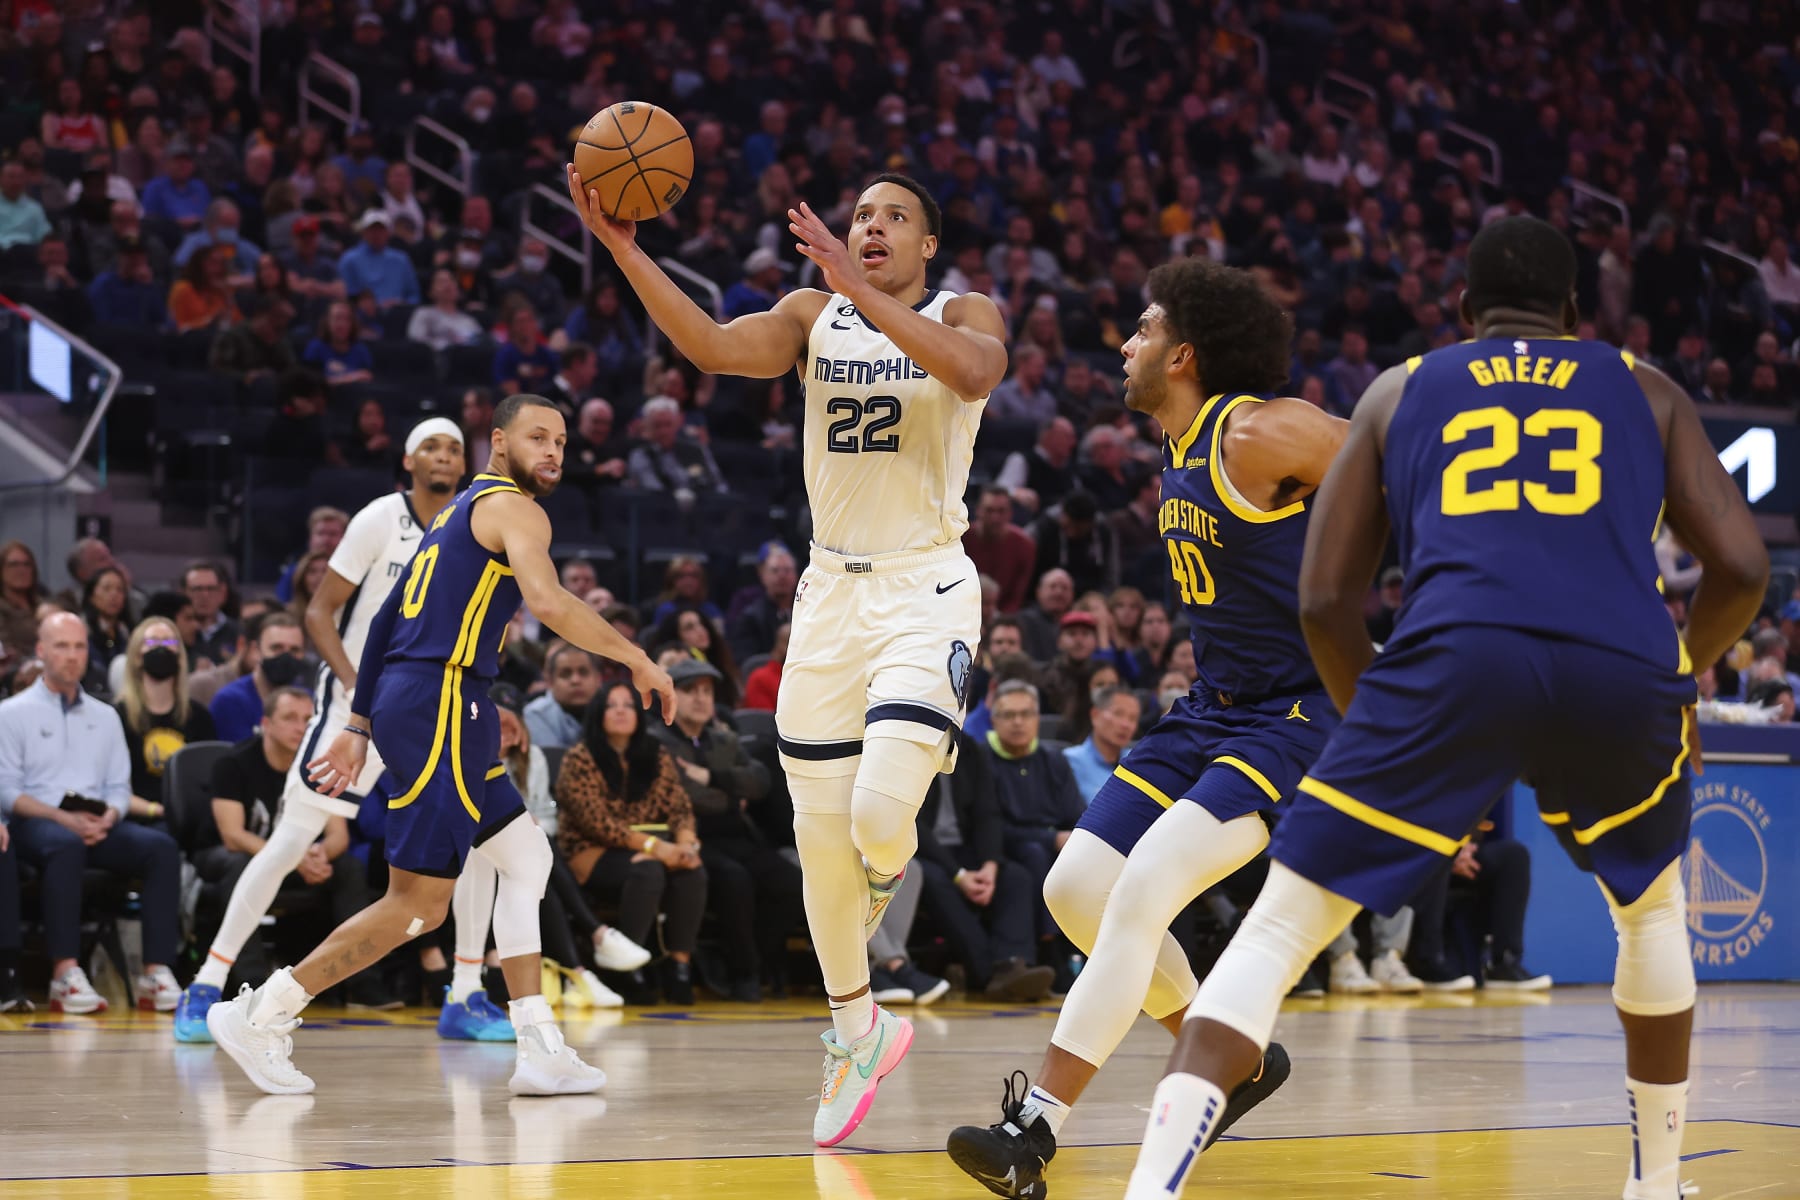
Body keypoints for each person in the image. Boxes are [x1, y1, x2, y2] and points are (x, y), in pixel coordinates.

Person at [1124, 217, 1771, 1200]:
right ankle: (1655, 1184)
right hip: (1619, 662)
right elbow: (1743, 568)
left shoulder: (1404, 387)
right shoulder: (1643, 383)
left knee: (1279, 929)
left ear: (1462, 312)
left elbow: (1325, 600)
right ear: (1574, 315)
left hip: (1454, 654)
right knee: (1652, 915)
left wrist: (1369, 719)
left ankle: (1150, 1189)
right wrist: (1679, 669)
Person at [570, 163, 1008, 1145]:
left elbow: (976, 374)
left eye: (897, 216)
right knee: (819, 839)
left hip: (925, 587)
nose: (874, 227)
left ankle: (887, 868)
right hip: (826, 598)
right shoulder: (813, 313)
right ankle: (857, 1028)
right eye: (861, 217)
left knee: (882, 817)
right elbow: (712, 347)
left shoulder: (962, 307)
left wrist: (859, 291)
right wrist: (629, 251)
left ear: (929, 244)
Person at [949, 257, 1344, 1195]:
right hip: (1210, 705)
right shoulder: (1177, 446)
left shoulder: (1258, 429)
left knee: (1141, 894)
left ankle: (1032, 1131)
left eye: (1143, 329)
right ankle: (1233, 1057)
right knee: (1077, 887)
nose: (1126, 343)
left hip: (1293, 717)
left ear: (1185, 354)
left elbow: (1390, 454)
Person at [206, 395, 674, 1098]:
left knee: (525, 856)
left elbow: (391, 613)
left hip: (437, 700)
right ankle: (263, 1011)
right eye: (537, 437)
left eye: (563, 442)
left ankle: (537, 1041)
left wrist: (362, 722)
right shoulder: (516, 508)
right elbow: (547, 602)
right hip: (444, 703)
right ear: (497, 442)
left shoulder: (454, 512)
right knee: (419, 905)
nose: (553, 452)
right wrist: (636, 657)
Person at [174, 420, 473, 1041]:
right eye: (432, 447)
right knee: (291, 840)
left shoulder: (471, 525)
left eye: (454, 448)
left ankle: (466, 994)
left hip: (429, 708)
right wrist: (352, 686)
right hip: (355, 705)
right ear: (408, 460)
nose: (445, 456)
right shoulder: (377, 520)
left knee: (477, 846)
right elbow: (317, 611)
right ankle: (207, 981)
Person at [0, 614, 185, 1014]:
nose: (72, 656)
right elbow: (7, 792)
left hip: (97, 824)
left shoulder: (105, 716)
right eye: (62, 646)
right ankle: (64, 973)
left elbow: (119, 789)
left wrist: (110, 817)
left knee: (161, 848)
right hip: (36, 823)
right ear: (41, 651)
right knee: (65, 845)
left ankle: (156, 971)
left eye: (79, 646)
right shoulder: (12, 713)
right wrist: (61, 818)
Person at [197, 687, 387, 1005]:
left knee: (349, 868)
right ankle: (252, 982)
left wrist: (319, 855)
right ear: (266, 723)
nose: (300, 726)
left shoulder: (320, 762)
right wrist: (295, 858)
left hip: (295, 859)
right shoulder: (233, 762)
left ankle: (361, 982)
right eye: (289, 718)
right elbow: (232, 834)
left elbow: (338, 835)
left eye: (306, 718)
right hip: (229, 856)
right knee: (240, 866)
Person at [555, 681, 707, 1005]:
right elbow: (596, 823)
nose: (621, 710)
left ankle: (679, 966)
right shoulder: (580, 758)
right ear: (599, 714)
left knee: (692, 871)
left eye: (628, 704)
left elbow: (680, 807)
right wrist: (655, 848)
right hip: (592, 852)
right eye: (612, 705)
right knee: (647, 871)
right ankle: (624, 968)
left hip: (654, 848)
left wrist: (686, 845)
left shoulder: (656, 754)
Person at [116, 617, 217, 822]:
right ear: (136, 656)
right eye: (152, 642)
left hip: (192, 818)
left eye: (170, 643)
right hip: (139, 818)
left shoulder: (199, 716)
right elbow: (111, 787)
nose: (162, 648)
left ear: (180, 656)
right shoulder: (118, 716)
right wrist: (157, 811)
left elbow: (210, 779)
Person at [208, 613, 307, 743]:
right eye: (276, 648)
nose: (286, 656)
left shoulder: (308, 701)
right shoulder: (231, 701)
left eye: (294, 650)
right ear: (256, 650)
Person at [523, 641, 599, 750]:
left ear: (598, 679)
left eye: (583, 672)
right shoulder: (535, 714)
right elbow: (554, 763)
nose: (575, 680)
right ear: (550, 681)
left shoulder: (610, 709)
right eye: (565, 674)